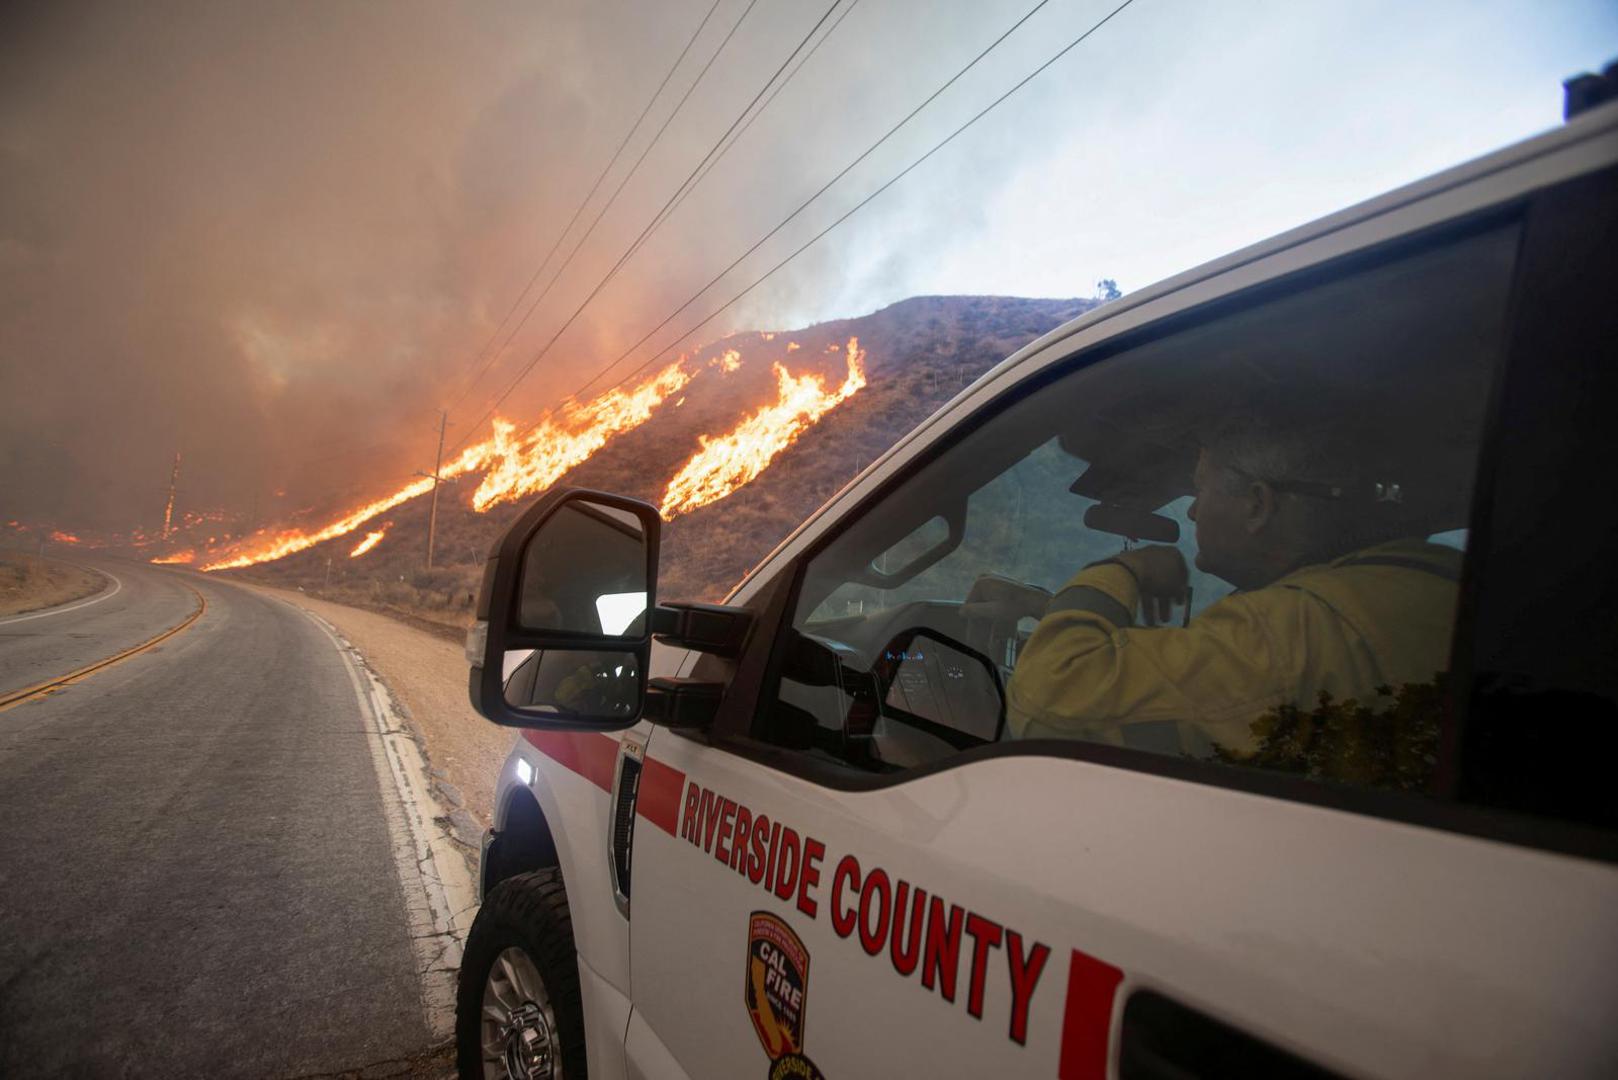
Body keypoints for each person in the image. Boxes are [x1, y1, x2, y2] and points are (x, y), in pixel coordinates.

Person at [1005, 409, 1462, 759]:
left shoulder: (1290, 629)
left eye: (1200, 489)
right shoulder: (1416, 581)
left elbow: (1047, 697)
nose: (1192, 512)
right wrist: (1050, 608)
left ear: (1257, 505)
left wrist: (1128, 569)